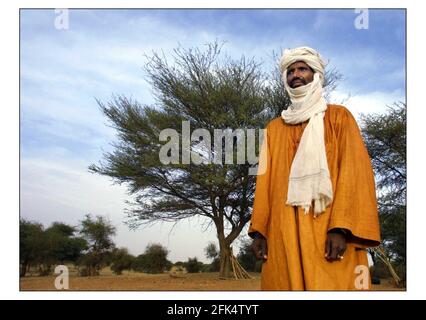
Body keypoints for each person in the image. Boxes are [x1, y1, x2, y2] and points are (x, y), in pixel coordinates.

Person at [248, 46, 381, 290]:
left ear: (316, 75)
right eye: (290, 71)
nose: (295, 75)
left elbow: (355, 172)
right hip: (283, 230)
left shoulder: (339, 118)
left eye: (302, 69)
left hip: (328, 229)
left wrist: (341, 227)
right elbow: (264, 182)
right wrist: (260, 231)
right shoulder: (274, 128)